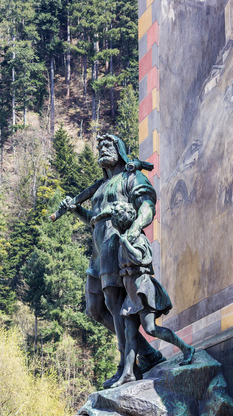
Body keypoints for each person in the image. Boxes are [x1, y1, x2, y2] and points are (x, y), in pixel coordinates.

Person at [59, 134, 164, 387]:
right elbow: (94, 219)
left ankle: (126, 366)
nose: (102, 150)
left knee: (116, 306)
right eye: (99, 147)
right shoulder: (101, 186)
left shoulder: (131, 177)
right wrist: (76, 209)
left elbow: (147, 205)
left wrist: (136, 227)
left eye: (108, 146)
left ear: (120, 149)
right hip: (97, 252)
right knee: (96, 309)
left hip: (117, 246)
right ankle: (147, 354)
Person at [109, 201, 195, 388]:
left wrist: (125, 244)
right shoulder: (124, 236)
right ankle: (128, 373)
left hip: (143, 287)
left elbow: (142, 258)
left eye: (116, 217)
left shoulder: (138, 237)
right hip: (131, 289)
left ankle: (186, 348)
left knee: (150, 329)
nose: (114, 221)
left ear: (124, 218)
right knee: (129, 333)